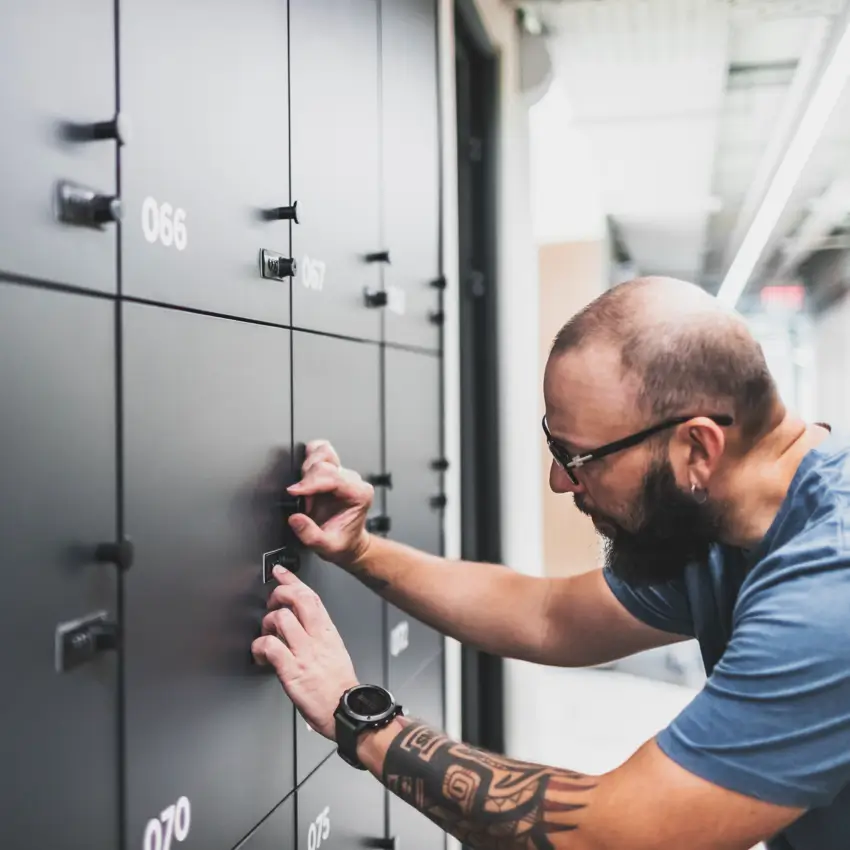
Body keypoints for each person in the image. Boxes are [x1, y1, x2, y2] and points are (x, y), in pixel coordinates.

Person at [252, 277, 850, 850]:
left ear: (697, 447)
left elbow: (617, 836)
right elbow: (547, 615)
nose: (560, 481)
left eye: (577, 456)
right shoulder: (725, 523)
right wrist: (360, 549)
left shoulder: (830, 586)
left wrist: (359, 719)